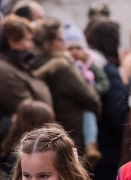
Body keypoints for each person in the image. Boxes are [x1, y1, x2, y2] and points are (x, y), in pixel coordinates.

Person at [31, 18, 101, 151]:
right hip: (69, 133)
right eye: (59, 39)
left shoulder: (29, 64)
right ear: (48, 43)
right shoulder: (61, 67)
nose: (64, 43)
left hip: (45, 136)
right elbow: (91, 98)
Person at [86, 19, 131, 180]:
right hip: (108, 153)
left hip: (97, 147)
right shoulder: (109, 71)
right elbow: (117, 113)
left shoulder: (90, 66)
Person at [63, 21, 109, 166]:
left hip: (88, 103)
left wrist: (91, 91)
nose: (75, 51)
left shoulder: (91, 65)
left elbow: (104, 83)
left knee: (89, 117)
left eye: (78, 48)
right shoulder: (65, 67)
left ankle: (91, 144)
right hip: (73, 108)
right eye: (70, 48)